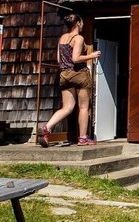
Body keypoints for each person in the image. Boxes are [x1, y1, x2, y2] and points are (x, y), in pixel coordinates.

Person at [39, 13, 100, 147]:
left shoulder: (62, 38)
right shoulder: (78, 38)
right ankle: (83, 138)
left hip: (64, 75)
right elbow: (75, 58)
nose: (82, 25)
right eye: (81, 22)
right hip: (79, 74)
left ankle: (47, 127)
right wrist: (92, 55)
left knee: (67, 107)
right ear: (78, 23)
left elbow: (59, 60)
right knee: (83, 107)